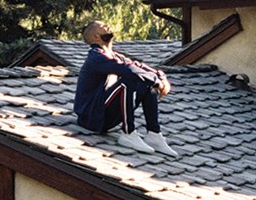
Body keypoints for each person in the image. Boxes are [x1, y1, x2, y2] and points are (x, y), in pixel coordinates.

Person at [72, 20, 178, 156]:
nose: (108, 25)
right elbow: (128, 69)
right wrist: (156, 81)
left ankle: (154, 134)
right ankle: (128, 133)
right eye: (103, 26)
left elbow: (137, 66)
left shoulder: (115, 56)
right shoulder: (96, 56)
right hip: (90, 118)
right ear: (96, 37)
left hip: (104, 117)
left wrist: (161, 77)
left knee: (145, 82)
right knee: (129, 80)